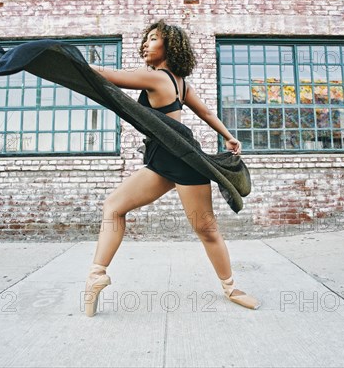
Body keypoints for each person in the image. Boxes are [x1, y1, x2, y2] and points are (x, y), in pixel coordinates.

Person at [84, 20, 260, 317]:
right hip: (167, 157)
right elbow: (204, 112)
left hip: (179, 158)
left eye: (153, 39)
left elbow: (105, 75)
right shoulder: (179, 83)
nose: (145, 44)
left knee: (205, 228)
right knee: (114, 206)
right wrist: (228, 135)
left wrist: (67, 59)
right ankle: (96, 276)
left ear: (169, 46)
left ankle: (230, 287)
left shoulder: (156, 78)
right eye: (146, 39)